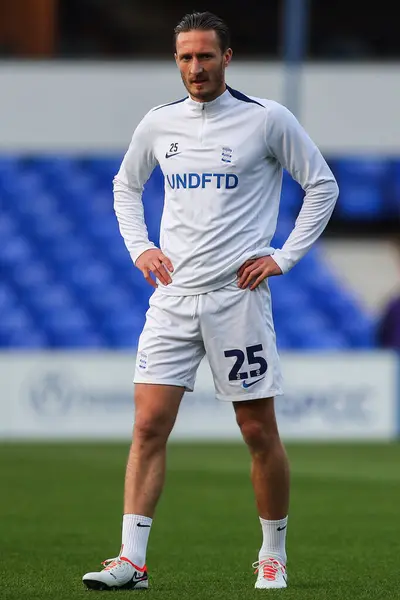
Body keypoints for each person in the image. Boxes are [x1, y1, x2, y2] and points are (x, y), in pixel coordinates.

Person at [82, 10, 339, 591]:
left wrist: (283, 256)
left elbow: (322, 184)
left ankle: (273, 552)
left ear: (227, 57)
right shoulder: (158, 124)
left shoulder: (266, 120)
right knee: (148, 426)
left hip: (237, 299)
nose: (194, 68)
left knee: (256, 430)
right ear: (176, 61)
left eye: (204, 56)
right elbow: (126, 185)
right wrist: (140, 247)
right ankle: (132, 561)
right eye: (184, 57)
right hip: (172, 298)